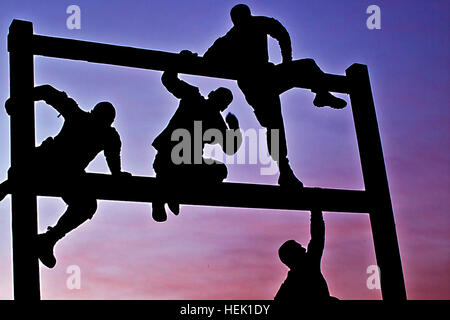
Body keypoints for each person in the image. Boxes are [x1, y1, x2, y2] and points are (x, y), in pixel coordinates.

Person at [203, 4, 347, 189]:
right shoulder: (230, 38)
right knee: (274, 126)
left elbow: (281, 32)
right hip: (256, 87)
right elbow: (207, 60)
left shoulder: (250, 27)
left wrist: (287, 62)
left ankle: (322, 94)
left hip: (268, 78)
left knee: (308, 67)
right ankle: (285, 171)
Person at [0, 84, 131, 268]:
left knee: (86, 205)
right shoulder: (83, 119)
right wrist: (19, 99)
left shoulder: (104, 133)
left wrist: (118, 174)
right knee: (24, 171)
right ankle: (10, 187)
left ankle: (47, 240)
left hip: (66, 175)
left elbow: (113, 160)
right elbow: (48, 92)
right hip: (48, 165)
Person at [151, 65, 242, 222]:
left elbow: (229, 148)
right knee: (215, 171)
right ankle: (166, 195)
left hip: (186, 163)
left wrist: (235, 129)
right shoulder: (192, 97)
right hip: (168, 157)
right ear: (213, 96)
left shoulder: (214, 119)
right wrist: (181, 61)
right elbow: (169, 79)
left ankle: (174, 190)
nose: (220, 106)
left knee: (219, 171)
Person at [272, 209, 336, 314]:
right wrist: (316, 212)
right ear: (294, 256)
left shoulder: (288, 285)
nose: (304, 249)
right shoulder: (309, 265)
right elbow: (317, 237)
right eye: (300, 248)